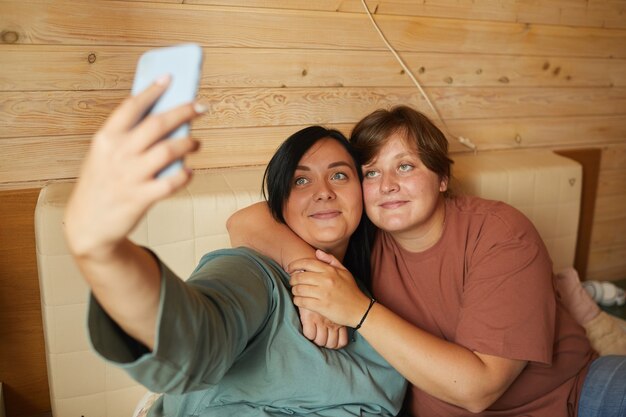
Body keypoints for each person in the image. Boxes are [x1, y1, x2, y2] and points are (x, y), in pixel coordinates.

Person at [227, 105, 626, 416]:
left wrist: (357, 310)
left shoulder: (499, 231)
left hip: (574, 396)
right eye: (370, 173)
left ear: (442, 178)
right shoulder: (364, 236)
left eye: (405, 166)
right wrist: (305, 267)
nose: (387, 186)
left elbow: (478, 390)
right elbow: (245, 220)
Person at [63, 76, 406, 417]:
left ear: (363, 191)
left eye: (339, 175)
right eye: (300, 180)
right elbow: (193, 343)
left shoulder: (381, 284)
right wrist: (105, 254)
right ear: (279, 204)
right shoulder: (254, 273)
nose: (323, 191)